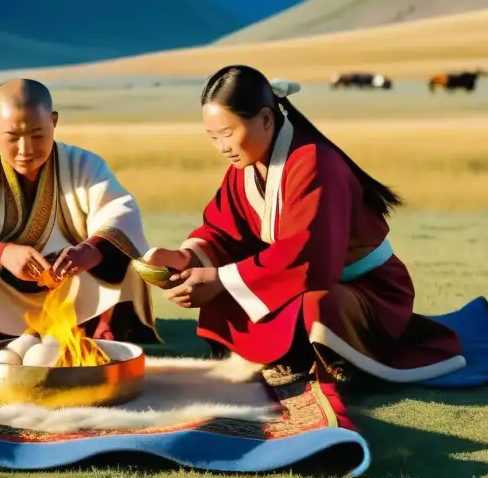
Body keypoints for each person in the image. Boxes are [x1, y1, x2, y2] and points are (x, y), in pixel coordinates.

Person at [142, 64, 467, 386]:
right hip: (296, 276)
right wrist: (185, 258)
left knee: (316, 304)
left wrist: (221, 279)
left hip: (368, 289)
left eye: (228, 134)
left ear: (267, 120)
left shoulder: (314, 163)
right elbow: (223, 230)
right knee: (227, 287)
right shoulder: (244, 169)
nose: (222, 147)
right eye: (213, 137)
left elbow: (309, 256)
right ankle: (281, 352)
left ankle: (319, 357)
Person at [0, 79, 160, 349]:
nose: (25, 150)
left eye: (37, 136)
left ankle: (101, 326)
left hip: (70, 282)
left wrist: (88, 252)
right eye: (12, 137)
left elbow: (119, 214)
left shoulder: (85, 165)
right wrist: (2, 254)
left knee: (122, 253)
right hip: (1, 287)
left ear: (54, 122)